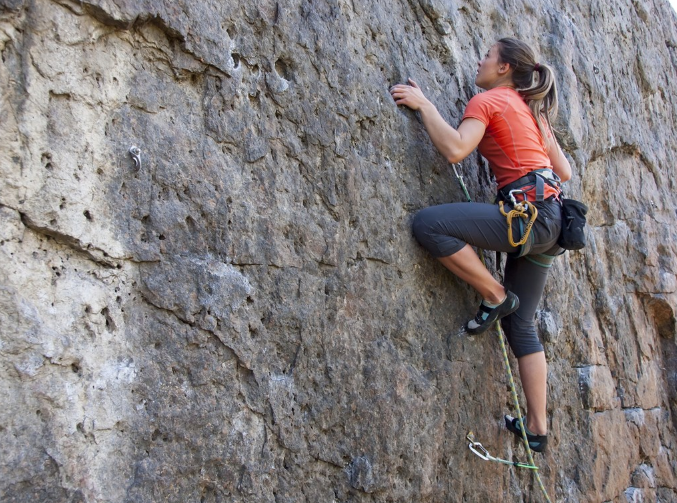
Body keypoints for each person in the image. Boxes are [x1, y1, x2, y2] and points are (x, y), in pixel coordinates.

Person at [389, 37, 572, 453]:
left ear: (504, 69)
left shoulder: (489, 100)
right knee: (522, 324)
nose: (480, 60)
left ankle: (493, 293)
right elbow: (564, 169)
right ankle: (537, 428)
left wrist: (425, 105)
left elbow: (455, 148)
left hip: (528, 217)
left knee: (429, 225)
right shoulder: (530, 111)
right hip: (552, 221)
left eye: (487, 55)